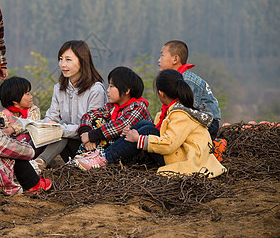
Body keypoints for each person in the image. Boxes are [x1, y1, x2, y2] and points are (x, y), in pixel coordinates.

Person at [73, 69, 227, 179]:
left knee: (146, 131)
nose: (108, 90)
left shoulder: (180, 114)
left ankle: (103, 159)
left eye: (112, 86)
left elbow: (169, 144)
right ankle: (102, 156)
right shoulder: (169, 110)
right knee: (146, 125)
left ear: (161, 93)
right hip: (179, 153)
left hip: (185, 159)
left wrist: (138, 139)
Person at [29, 40, 107, 173]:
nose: (63, 64)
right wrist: (43, 126)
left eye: (68, 59)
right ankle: (22, 157)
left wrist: (60, 129)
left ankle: (40, 163)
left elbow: (93, 127)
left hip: (88, 147)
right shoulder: (59, 88)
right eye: (61, 59)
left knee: (62, 130)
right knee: (47, 128)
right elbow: (52, 116)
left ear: (82, 61)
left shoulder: (96, 90)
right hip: (65, 147)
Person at [76, 67, 152, 155]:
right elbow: (88, 115)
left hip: (133, 152)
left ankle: (91, 158)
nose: (107, 90)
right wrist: (86, 134)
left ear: (127, 90)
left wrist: (91, 136)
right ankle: (85, 157)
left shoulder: (139, 107)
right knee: (97, 121)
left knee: (105, 129)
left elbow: (119, 126)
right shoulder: (112, 107)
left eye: (111, 86)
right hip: (114, 147)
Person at [158, 40, 221, 139]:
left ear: (175, 59)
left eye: (162, 56)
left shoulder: (187, 81)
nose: (159, 60)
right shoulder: (178, 78)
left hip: (207, 124)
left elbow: (190, 112)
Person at [0, 77, 42, 148]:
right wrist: (22, 126)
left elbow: (30, 124)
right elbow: (3, 131)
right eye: (27, 94)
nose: (31, 97)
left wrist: (11, 129)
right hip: (12, 147)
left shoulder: (33, 110)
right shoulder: (4, 114)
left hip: (32, 147)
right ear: (15, 100)